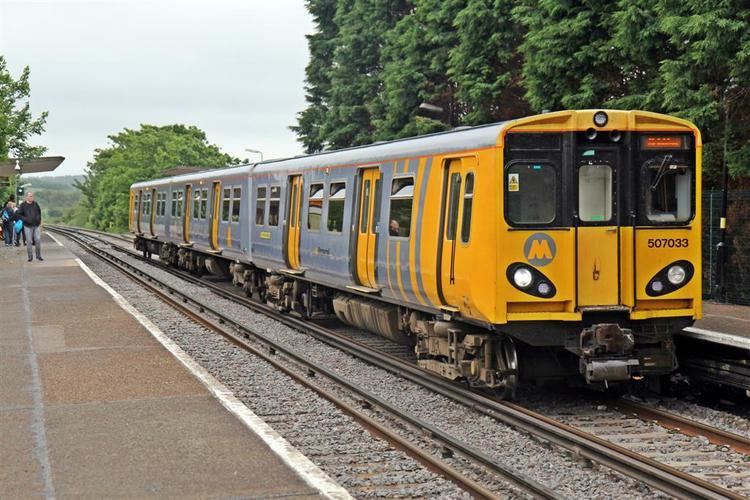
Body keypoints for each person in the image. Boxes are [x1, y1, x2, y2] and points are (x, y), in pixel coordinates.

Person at [16, 191, 43, 262]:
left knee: (37, 240)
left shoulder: (35, 204)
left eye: (32, 196)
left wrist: (39, 220)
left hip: (36, 225)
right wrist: (25, 219)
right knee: (29, 241)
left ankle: (38, 256)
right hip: (27, 226)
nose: (31, 197)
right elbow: (19, 214)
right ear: (27, 197)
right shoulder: (23, 205)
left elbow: (39, 213)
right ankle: (30, 257)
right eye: (30, 196)